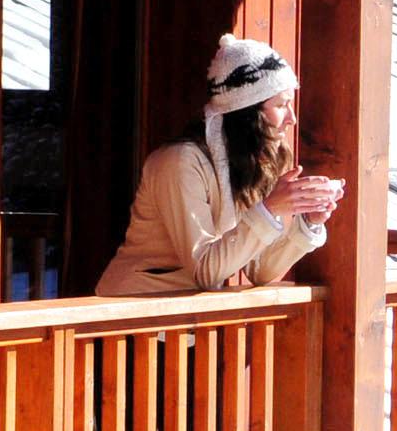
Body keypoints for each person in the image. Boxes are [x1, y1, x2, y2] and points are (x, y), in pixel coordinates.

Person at [96, 34, 344, 296]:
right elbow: (206, 271)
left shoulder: (256, 162)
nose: (292, 119)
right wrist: (269, 209)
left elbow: (259, 270)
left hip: (190, 322)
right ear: (247, 112)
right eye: (282, 105)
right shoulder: (180, 162)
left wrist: (308, 221)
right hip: (131, 321)